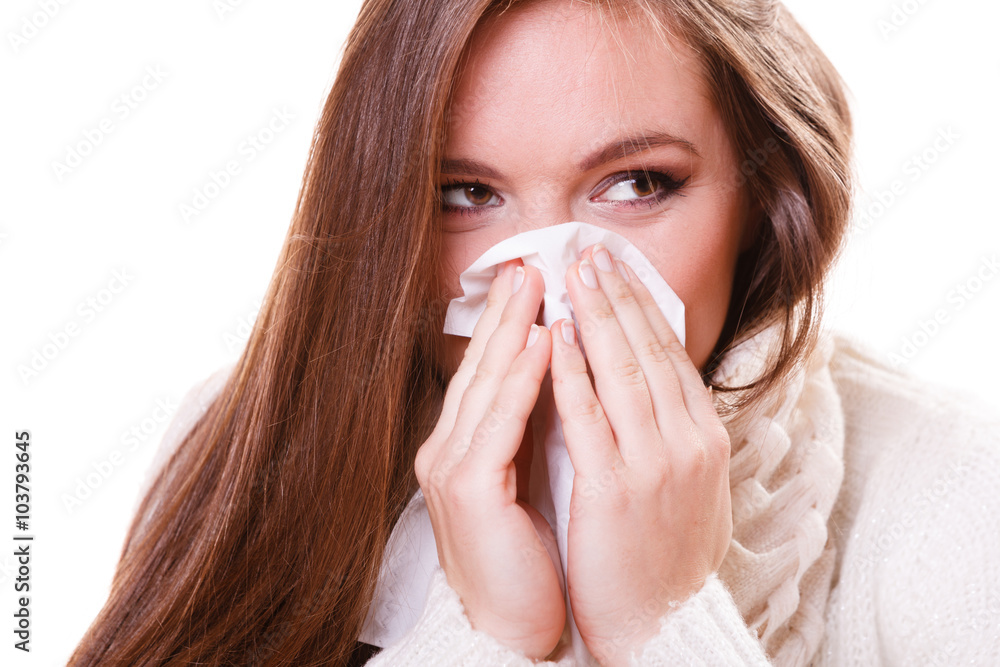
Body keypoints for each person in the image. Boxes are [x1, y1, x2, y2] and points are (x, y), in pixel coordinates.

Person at [69, 0, 1000, 665]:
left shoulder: (951, 491)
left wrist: (663, 622)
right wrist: (489, 637)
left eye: (637, 183)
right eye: (466, 195)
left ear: (766, 199)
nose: (551, 283)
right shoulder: (229, 449)